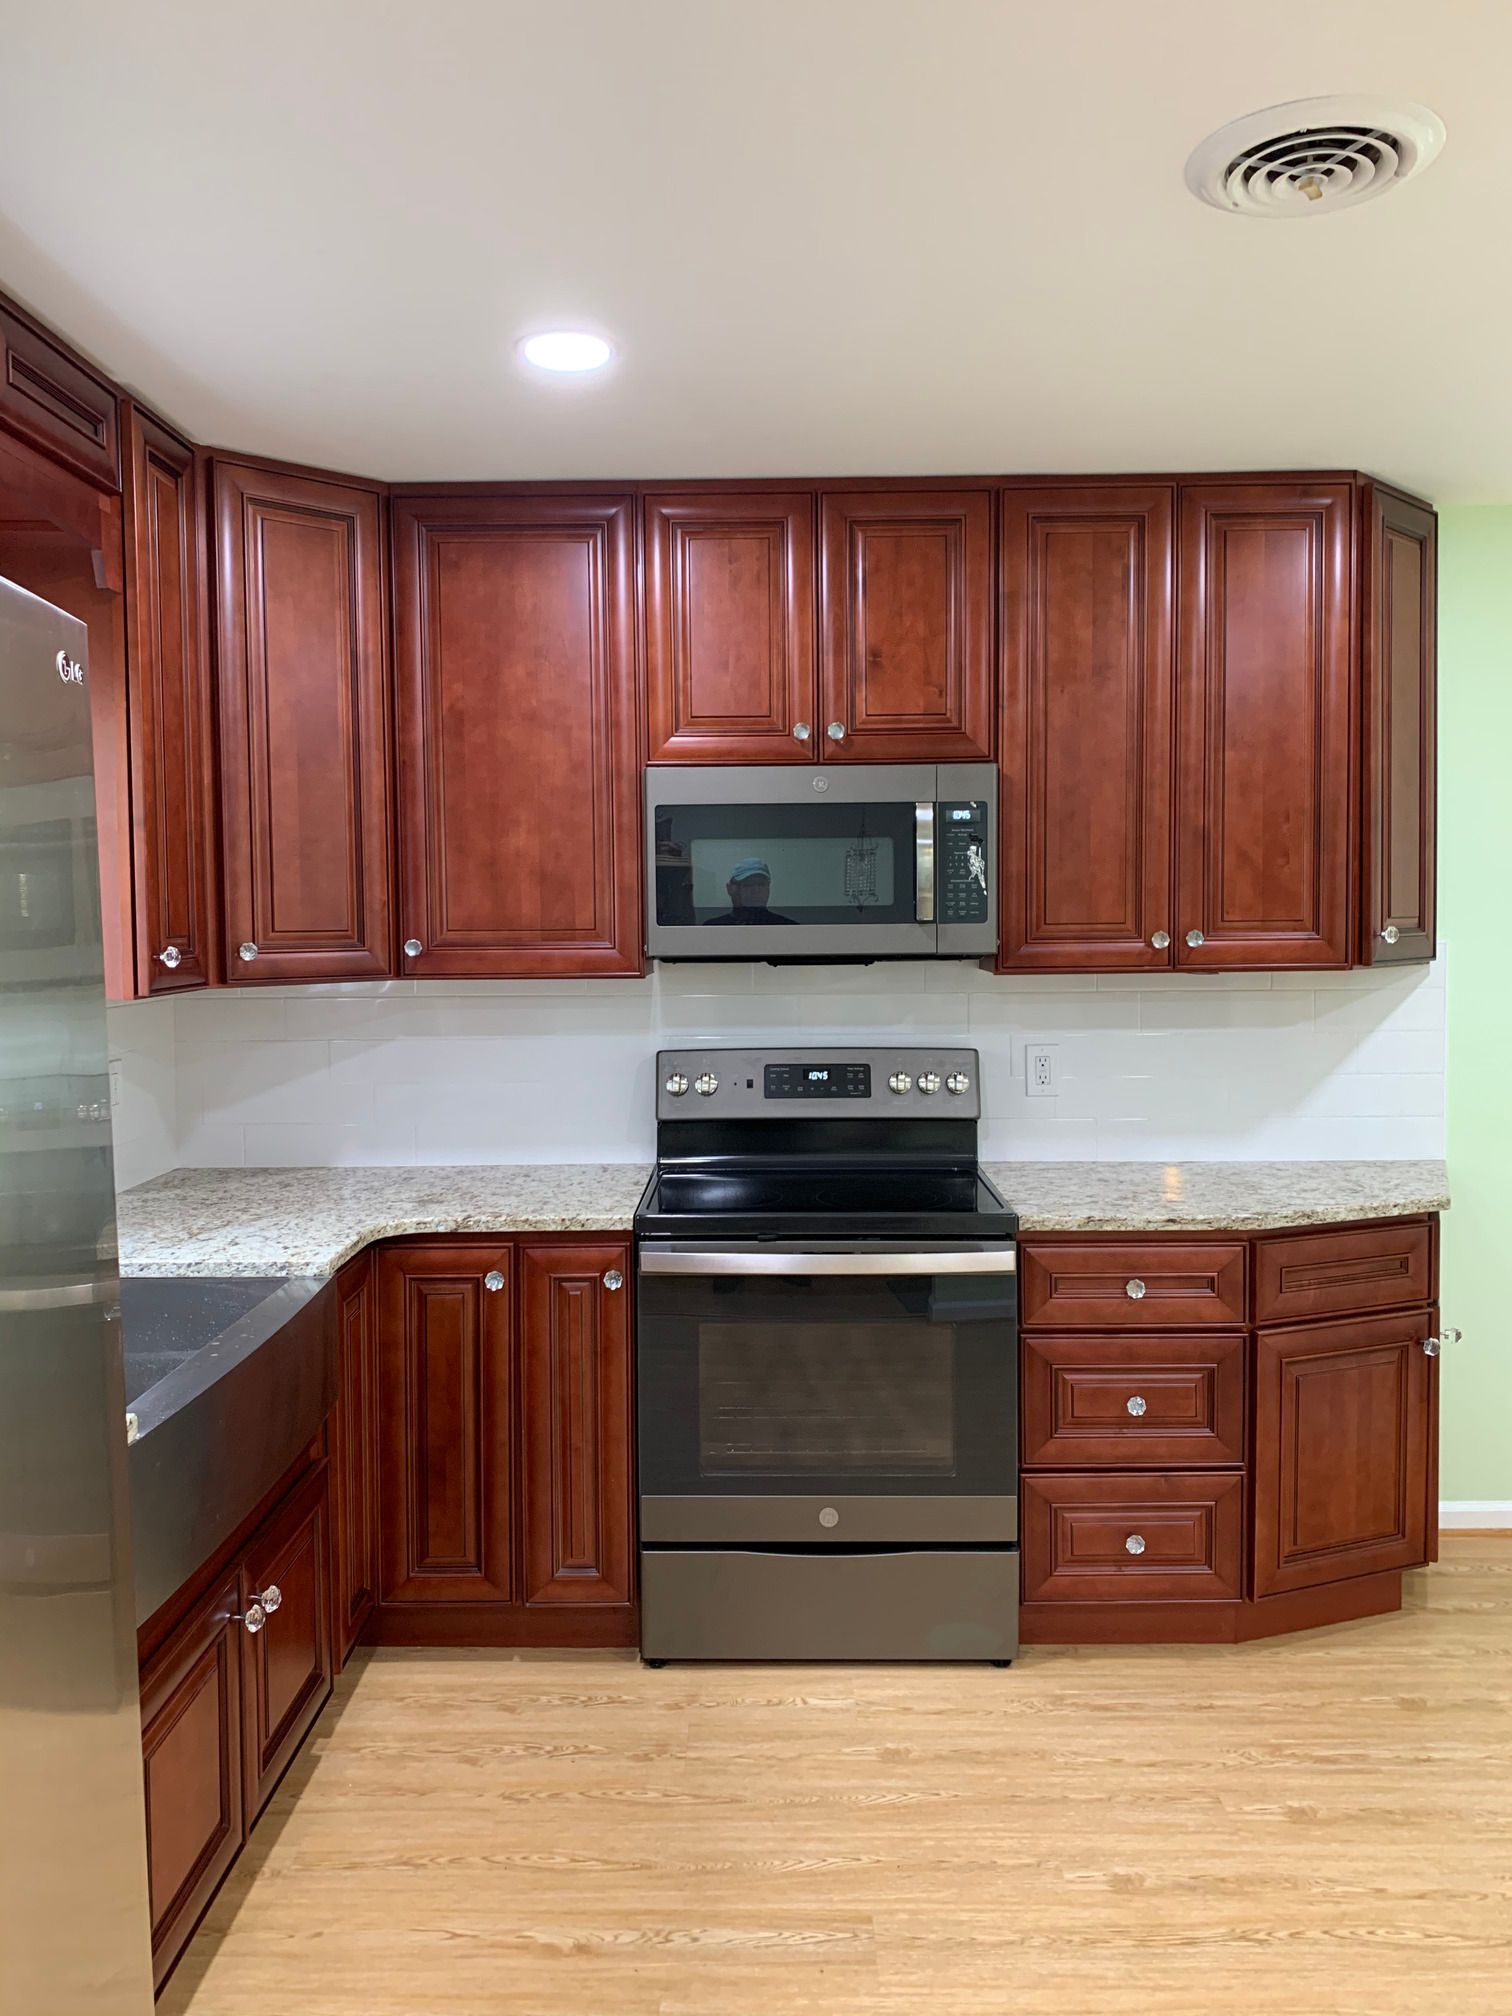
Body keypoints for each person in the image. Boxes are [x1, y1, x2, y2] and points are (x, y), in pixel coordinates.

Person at [703, 857, 796, 925]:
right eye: (748, 885)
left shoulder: (789, 928)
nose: (756, 890)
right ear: (730, 889)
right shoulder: (712, 929)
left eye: (761, 884)